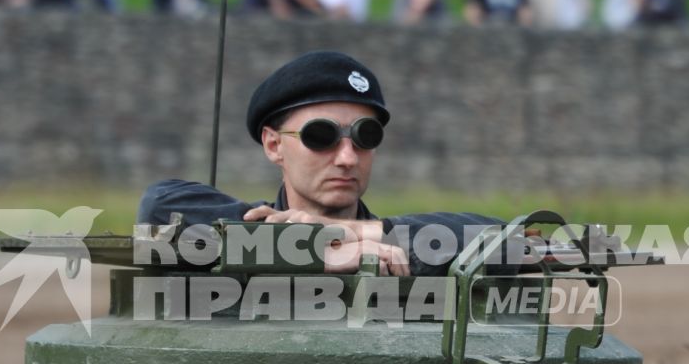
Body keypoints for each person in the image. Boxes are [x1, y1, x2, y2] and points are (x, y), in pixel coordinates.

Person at [137, 51, 497, 276]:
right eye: (320, 137)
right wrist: (301, 248)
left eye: (364, 136)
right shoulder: (234, 233)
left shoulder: (395, 247)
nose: (347, 157)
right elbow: (160, 206)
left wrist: (346, 231)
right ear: (274, 145)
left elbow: (512, 238)